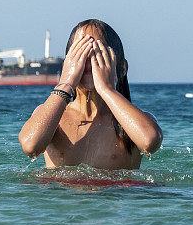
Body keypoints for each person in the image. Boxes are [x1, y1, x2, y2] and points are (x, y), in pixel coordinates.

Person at [18, 19, 162, 170]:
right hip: (61, 193)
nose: (88, 60)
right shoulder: (52, 117)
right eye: (81, 52)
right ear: (67, 64)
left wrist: (107, 89)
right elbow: (30, 146)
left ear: (122, 68)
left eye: (98, 52)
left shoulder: (130, 122)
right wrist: (66, 82)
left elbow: (149, 142)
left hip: (115, 193)